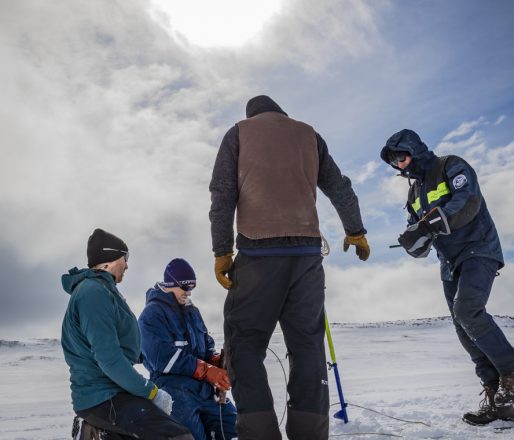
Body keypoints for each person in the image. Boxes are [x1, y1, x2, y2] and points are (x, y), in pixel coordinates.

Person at [209, 95, 370, 439]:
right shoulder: (309, 135)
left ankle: (260, 433)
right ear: (281, 112)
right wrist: (355, 231)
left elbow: (222, 196)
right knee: (308, 346)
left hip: (258, 256)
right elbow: (339, 187)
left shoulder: (238, 133)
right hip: (307, 258)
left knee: (245, 344)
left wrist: (222, 251)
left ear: (251, 114)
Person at [380, 129, 514, 426]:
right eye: (394, 161)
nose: (399, 164)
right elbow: (420, 231)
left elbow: (467, 200)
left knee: (468, 310)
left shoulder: (451, 165)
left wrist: (431, 224)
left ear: (415, 149)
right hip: (448, 261)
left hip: (479, 249)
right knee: (463, 327)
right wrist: (414, 239)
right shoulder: (413, 193)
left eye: (402, 155)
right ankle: (498, 404)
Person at [61, 228, 193, 440]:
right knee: (178, 436)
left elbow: (122, 344)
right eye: (125, 257)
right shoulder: (93, 293)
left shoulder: (103, 290)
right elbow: (109, 359)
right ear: (110, 258)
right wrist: (151, 392)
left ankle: (101, 432)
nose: (127, 264)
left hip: (113, 391)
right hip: (102, 396)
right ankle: (96, 428)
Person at [138, 258, 237, 440]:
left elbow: (206, 346)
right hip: (173, 391)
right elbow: (162, 358)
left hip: (204, 391)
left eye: (192, 288)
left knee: (236, 427)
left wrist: (216, 361)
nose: (189, 293)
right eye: (185, 287)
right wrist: (206, 371)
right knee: (191, 436)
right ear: (170, 283)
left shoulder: (192, 311)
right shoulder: (151, 315)